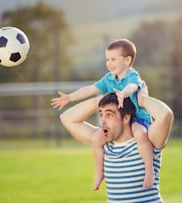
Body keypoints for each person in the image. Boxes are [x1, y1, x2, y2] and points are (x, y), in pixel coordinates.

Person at [51, 39, 154, 190]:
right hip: (119, 121)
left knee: (140, 133)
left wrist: (122, 93)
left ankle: (149, 171)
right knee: (96, 138)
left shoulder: (132, 76)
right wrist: (70, 97)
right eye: (107, 59)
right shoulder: (109, 78)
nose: (109, 63)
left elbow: (133, 87)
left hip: (138, 118)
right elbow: (90, 89)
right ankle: (100, 172)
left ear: (127, 60)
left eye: (113, 59)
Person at [59, 83, 174, 202]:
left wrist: (142, 99)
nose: (102, 121)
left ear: (125, 118)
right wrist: (100, 100)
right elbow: (67, 119)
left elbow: (166, 115)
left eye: (109, 115)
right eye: (101, 114)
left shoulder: (147, 140)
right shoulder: (104, 144)